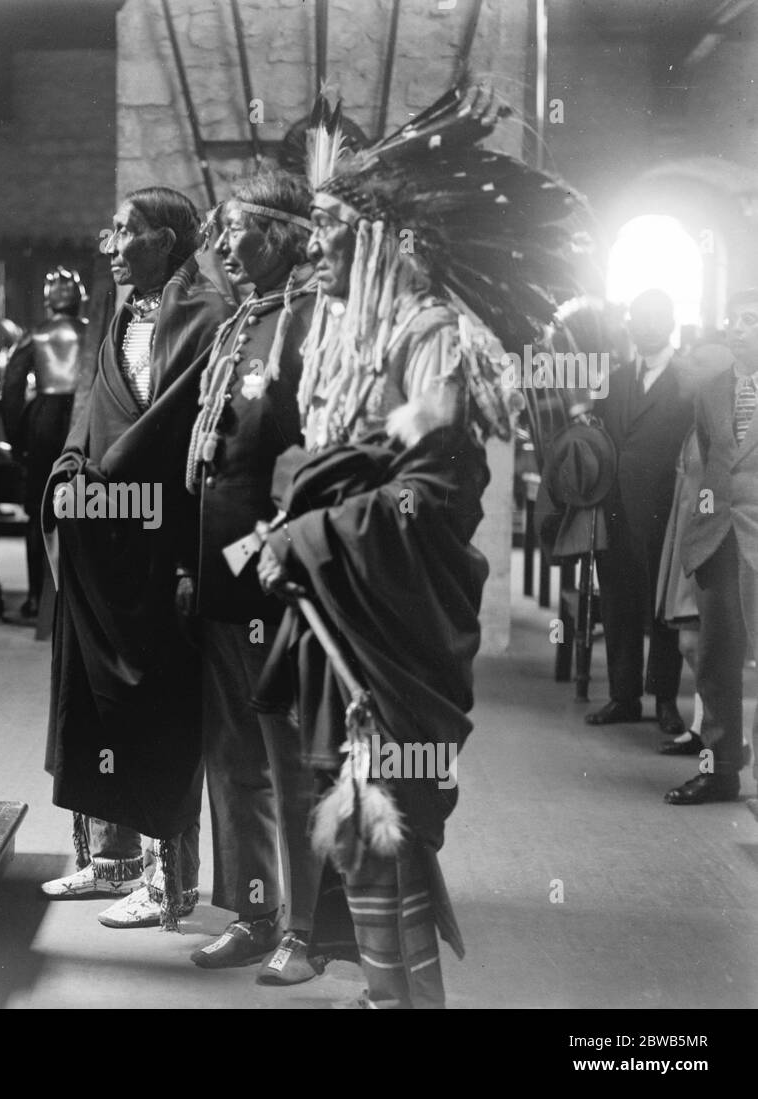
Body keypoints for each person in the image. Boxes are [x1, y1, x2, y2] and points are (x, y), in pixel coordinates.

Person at [257, 82, 593, 1007]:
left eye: (327, 231)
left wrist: (314, 530)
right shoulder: (347, 339)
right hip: (345, 617)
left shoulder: (430, 341)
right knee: (362, 830)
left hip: (393, 634)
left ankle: (410, 1003)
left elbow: (430, 496)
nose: (311, 247)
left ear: (381, 239)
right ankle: (384, 995)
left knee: (387, 820)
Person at [41, 186, 232, 929]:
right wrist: (68, 477)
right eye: (110, 230)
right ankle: (111, 857)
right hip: (104, 536)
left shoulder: (204, 316)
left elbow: (171, 423)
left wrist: (105, 484)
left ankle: (167, 881)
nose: (111, 246)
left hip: (160, 537)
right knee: (90, 696)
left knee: (154, 705)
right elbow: (94, 407)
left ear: (169, 239)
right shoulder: (121, 311)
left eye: (127, 232)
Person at [180, 172, 325, 982]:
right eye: (223, 230)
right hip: (222, 578)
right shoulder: (245, 323)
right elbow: (212, 459)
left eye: (241, 230)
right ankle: (255, 908)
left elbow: (314, 457)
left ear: (286, 236)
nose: (227, 246)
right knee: (232, 754)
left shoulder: (308, 325)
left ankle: (307, 928)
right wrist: (190, 566)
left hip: (275, 578)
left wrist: (267, 555)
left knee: (289, 758)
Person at [585, 289, 694, 736]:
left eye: (654, 317)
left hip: (666, 512)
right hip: (615, 511)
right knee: (618, 602)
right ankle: (624, 696)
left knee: (663, 608)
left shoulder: (690, 381)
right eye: (637, 317)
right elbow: (600, 441)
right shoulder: (613, 380)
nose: (644, 325)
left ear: (669, 322)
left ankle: (665, 700)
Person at [669, 289, 758, 805]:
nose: (738, 329)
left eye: (751, 320)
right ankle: (720, 770)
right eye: (734, 320)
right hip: (717, 539)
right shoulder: (712, 389)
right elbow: (708, 457)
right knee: (715, 659)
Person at [1, 267, 88, 620]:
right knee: (83, 506)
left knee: (39, 510)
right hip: (80, 417)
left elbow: (12, 388)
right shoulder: (92, 332)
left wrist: (15, 436)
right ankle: (75, 598)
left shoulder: (35, 335)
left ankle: (37, 598)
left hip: (44, 420)